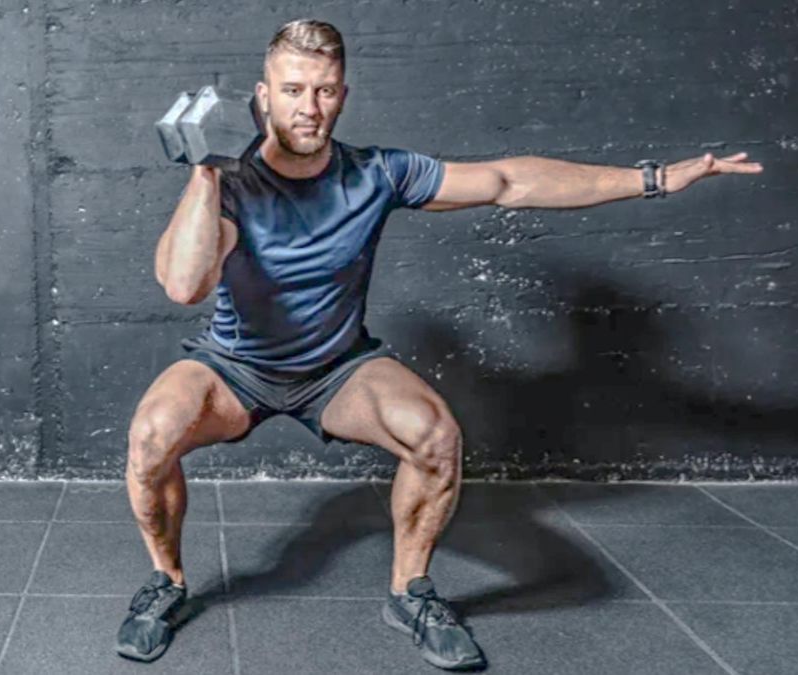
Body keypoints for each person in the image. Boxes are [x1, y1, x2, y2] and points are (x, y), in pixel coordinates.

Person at [116, 18, 762, 670]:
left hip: (338, 369)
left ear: (344, 94)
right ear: (262, 96)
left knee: (436, 434)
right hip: (235, 367)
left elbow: (510, 181)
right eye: (293, 90)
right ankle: (166, 581)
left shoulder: (378, 174)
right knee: (151, 435)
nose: (309, 107)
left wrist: (653, 179)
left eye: (325, 90)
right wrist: (206, 173)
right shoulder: (232, 185)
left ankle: (410, 590)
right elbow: (183, 283)